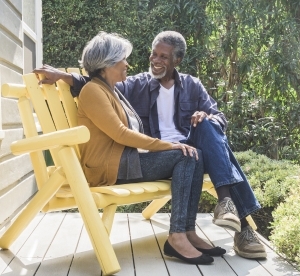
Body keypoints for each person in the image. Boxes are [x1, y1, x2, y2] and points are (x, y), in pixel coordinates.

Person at [34, 31, 267, 259]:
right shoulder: (129, 86)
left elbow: (219, 118)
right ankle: (225, 226)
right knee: (192, 154)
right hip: (138, 157)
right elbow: (101, 94)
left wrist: (206, 118)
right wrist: (63, 76)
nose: (154, 60)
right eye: (153, 54)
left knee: (208, 128)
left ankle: (200, 222)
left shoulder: (191, 86)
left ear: (178, 60)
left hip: (175, 149)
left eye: (163, 57)